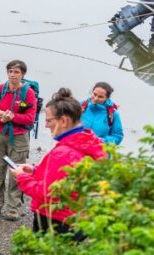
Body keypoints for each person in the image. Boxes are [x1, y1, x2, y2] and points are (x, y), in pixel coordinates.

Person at [10, 88, 107, 240]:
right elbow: (64, 179)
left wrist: (22, 177)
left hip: (56, 219)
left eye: (49, 120)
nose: (46, 125)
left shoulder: (65, 152)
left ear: (63, 121)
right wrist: (36, 171)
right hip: (78, 219)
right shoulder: (88, 142)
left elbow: (48, 194)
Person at [0, 59, 37, 221]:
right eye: (10, 72)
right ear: (7, 73)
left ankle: (13, 209)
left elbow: (30, 119)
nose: (13, 75)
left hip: (19, 138)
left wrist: (13, 117)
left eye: (17, 72)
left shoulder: (28, 93)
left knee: (16, 174)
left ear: (22, 74)